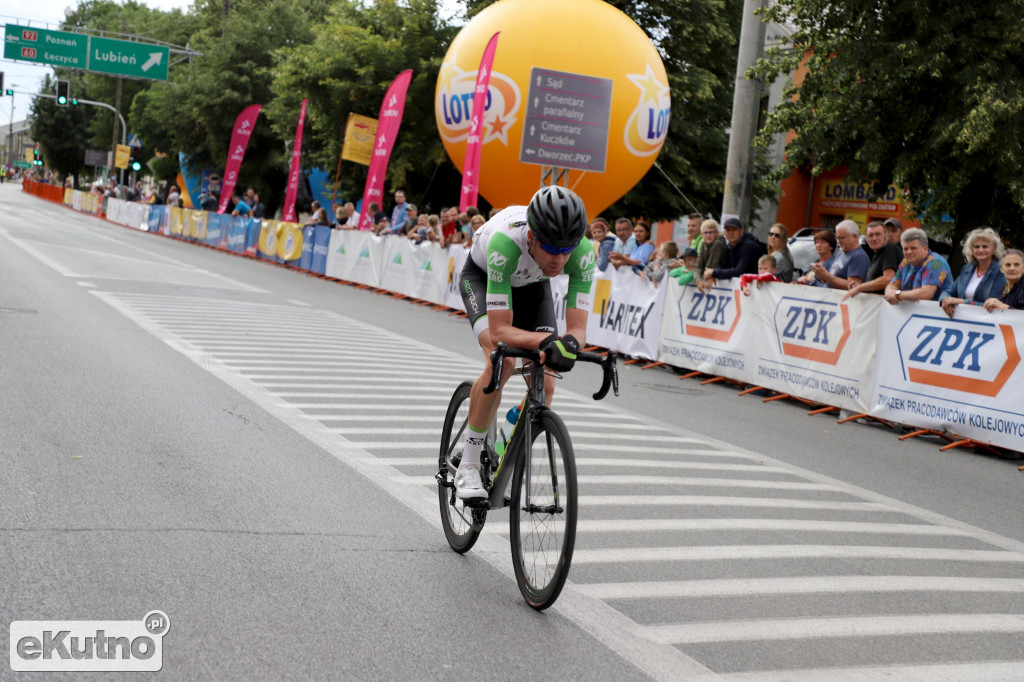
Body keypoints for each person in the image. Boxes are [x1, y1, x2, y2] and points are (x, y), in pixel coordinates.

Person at [453, 186, 594, 500]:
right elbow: (501, 330)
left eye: (566, 249)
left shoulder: (582, 253)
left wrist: (569, 343)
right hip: (481, 276)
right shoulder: (506, 243)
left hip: (533, 284)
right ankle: (470, 463)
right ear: (532, 236)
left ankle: (504, 442)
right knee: (501, 362)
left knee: (546, 383)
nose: (559, 259)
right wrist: (550, 341)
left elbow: (578, 330)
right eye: (550, 248)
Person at [939, 227, 1007, 317]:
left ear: (994, 250)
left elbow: (992, 304)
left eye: (985, 246)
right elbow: (949, 291)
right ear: (972, 250)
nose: (980, 250)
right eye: (976, 247)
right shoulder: (967, 269)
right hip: (961, 321)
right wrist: (944, 300)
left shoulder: (1000, 272)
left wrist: (962, 301)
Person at [884, 227, 954, 304]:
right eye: (905, 249)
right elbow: (892, 285)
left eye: (913, 248)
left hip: (938, 313)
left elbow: (926, 294)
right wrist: (890, 293)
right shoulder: (905, 263)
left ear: (925, 249)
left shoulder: (935, 262)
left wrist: (897, 295)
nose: (909, 252)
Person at [844, 221, 902, 298]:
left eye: (878, 234)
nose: (874, 238)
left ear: (886, 237)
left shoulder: (889, 249)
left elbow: (888, 279)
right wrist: (859, 285)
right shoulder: (876, 255)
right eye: (870, 235)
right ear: (867, 240)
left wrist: (860, 287)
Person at [703, 216, 762, 287]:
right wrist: (712, 275)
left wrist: (714, 272)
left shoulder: (749, 245)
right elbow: (722, 266)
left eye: (734, 229)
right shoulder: (729, 246)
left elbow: (739, 272)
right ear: (724, 232)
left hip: (757, 289)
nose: (731, 232)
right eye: (728, 230)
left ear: (741, 231)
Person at [810, 220, 869, 290]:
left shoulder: (859, 256)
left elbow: (853, 286)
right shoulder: (841, 253)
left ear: (855, 236)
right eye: (837, 238)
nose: (838, 241)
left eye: (842, 238)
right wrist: (822, 276)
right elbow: (832, 281)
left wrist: (826, 275)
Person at [694, 219, 726, 292]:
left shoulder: (718, 244)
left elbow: (710, 268)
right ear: (702, 235)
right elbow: (698, 265)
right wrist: (698, 280)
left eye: (711, 232)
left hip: (720, 279)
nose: (708, 235)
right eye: (705, 232)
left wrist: (708, 277)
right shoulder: (703, 244)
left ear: (717, 233)